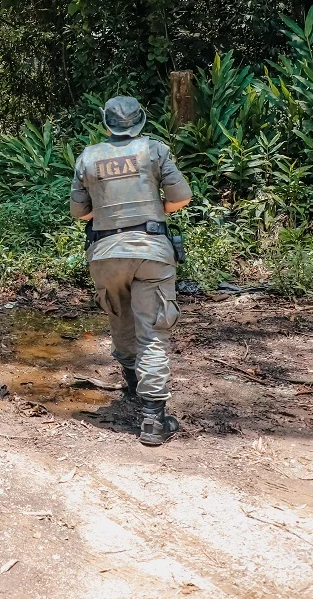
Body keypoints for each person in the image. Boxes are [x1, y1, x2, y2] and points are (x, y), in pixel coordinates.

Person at [69, 96, 192, 446]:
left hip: (105, 253)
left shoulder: (88, 157)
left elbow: (80, 212)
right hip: (151, 251)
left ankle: (132, 384)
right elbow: (181, 197)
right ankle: (153, 419)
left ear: (106, 123)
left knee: (120, 319)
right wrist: (154, 210)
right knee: (152, 331)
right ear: (140, 122)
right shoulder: (154, 151)